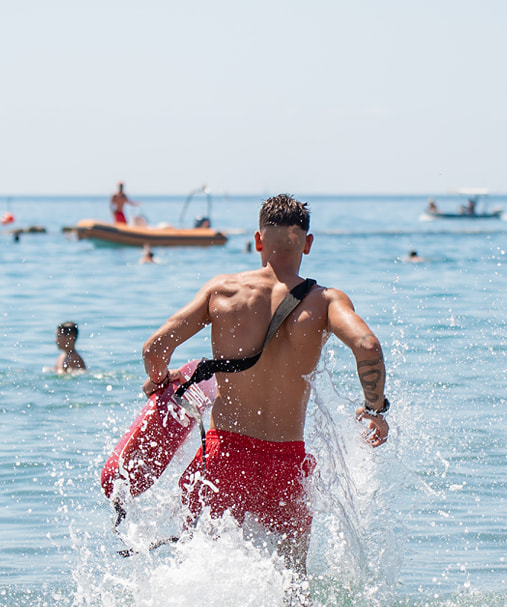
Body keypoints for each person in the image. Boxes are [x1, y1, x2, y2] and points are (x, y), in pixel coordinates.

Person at [139, 195, 390, 574]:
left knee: (198, 572)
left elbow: (154, 348)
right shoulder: (325, 302)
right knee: (294, 587)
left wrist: (162, 377)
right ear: (307, 243)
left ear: (258, 241)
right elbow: (368, 346)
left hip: (225, 457)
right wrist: (374, 409)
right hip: (286, 464)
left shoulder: (222, 292)